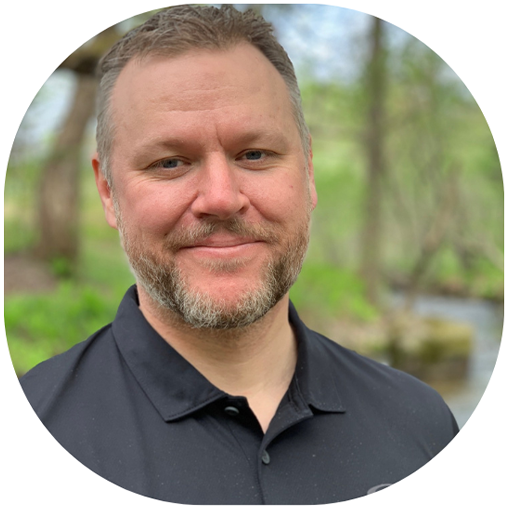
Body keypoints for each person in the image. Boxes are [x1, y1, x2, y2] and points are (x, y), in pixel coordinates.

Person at [20, 5, 458, 504]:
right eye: (170, 162)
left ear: (308, 171)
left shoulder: (422, 425)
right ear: (107, 191)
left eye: (254, 154)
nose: (221, 198)